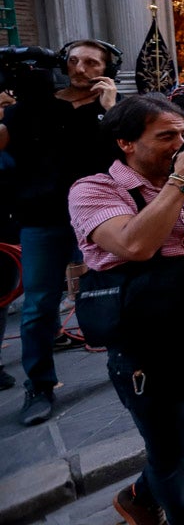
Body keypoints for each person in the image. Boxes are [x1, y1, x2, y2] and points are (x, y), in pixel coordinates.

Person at [68, 94, 184, 525]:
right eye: (166, 136)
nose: (180, 145)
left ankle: (141, 493)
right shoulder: (94, 189)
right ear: (125, 143)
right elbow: (134, 244)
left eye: (183, 135)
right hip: (144, 339)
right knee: (168, 450)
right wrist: (180, 183)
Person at [0, 40, 120, 425]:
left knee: (118, 289)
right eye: (73, 60)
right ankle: (39, 385)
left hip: (98, 215)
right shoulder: (32, 107)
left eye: (91, 62)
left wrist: (112, 111)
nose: (80, 67)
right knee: (38, 305)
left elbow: (129, 154)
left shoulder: (113, 111)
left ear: (106, 68)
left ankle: (128, 362)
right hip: (43, 216)